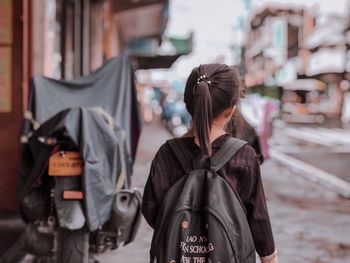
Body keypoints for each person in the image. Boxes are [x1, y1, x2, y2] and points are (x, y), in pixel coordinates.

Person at [142, 64, 278, 262]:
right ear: (231, 110)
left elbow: (150, 208)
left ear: (189, 104)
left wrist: (184, 235)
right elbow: (258, 219)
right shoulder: (244, 156)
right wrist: (269, 257)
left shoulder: (166, 153)